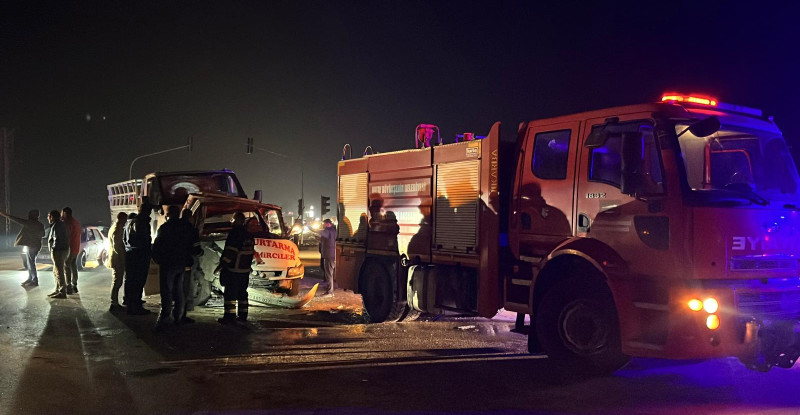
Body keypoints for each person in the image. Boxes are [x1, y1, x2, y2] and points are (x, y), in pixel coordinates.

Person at [152, 205, 200, 330]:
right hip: (182, 264)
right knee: (179, 290)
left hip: (168, 264)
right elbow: (196, 247)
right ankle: (178, 317)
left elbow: (157, 245)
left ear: (168, 214)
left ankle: (165, 317)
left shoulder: (165, 228)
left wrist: (157, 259)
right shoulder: (187, 227)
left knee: (167, 290)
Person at [214, 212, 254, 325]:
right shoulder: (249, 235)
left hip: (233, 270)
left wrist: (222, 265)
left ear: (237, 221)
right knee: (242, 293)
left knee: (230, 294)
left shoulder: (235, 233)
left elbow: (231, 252)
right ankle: (243, 315)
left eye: (233, 220)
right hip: (245, 270)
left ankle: (229, 317)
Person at [0, 209, 45, 287]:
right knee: (29, 262)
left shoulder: (30, 223)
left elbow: (17, 219)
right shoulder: (40, 224)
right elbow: (43, 234)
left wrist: (5, 215)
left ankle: (34, 280)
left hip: (32, 246)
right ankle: (30, 278)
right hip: (35, 245)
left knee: (31, 263)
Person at [124, 202, 152, 315]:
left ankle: (130, 305)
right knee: (138, 281)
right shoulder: (142, 222)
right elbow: (144, 240)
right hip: (139, 255)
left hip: (130, 254)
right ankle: (136, 307)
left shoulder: (130, 222)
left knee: (131, 281)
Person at [179, 208, 201, 324]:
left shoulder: (174, 227)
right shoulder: (191, 229)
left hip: (174, 263)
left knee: (175, 288)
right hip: (186, 263)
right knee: (185, 288)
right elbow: (196, 248)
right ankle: (182, 315)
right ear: (190, 217)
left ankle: (171, 314)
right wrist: (200, 252)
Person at [46, 210, 70, 299]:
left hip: (59, 251)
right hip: (61, 250)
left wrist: (54, 249)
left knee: (59, 271)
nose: (48, 218)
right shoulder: (59, 224)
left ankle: (62, 292)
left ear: (52, 217)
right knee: (56, 270)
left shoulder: (57, 225)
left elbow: (57, 239)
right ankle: (57, 290)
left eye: (49, 216)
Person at [107, 211, 128, 311]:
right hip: (117, 259)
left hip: (115, 258)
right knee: (117, 281)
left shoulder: (114, 227)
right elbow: (117, 246)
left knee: (117, 281)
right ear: (122, 219)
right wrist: (123, 257)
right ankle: (114, 303)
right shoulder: (117, 229)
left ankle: (114, 302)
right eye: (125, 220)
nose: (125, 223)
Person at [61, 207, 81, 294]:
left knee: (66, 266)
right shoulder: (76, 222)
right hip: (76, 247)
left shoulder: (67, 223)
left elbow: (66, 236)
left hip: (69, 248)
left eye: (62, 213)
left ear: (65, 213)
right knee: (73, 265)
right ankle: (74, 285)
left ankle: (68, 286)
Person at [316, 218, 337, 296]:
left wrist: (310, 228)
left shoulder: (329, 231)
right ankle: (330, 290)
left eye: (324, 224)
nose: (323, 225)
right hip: (331, 255)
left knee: (329, 274)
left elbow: (320, 232)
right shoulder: (333, 231)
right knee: (330, 274)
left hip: (329, 256)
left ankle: (330, 292)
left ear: (328, 224)